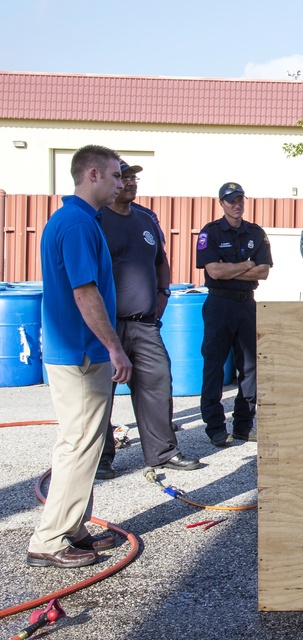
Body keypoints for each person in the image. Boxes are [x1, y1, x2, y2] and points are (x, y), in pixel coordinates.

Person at [27, 145, 133, 568]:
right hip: (81, 353)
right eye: (115, 175)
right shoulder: (75, 224)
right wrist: (113, 345)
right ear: (92, 174)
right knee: (79, 444)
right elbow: (84, 291)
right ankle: (49, 540)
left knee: (83, 443)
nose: (121, 183)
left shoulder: (78, 220)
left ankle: (72, 526)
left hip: (76, 350)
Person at [96, 160, 200, 478]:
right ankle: (100, 458)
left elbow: (160, 262)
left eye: (134, 178)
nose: (130, 182)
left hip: (144, 323)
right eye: (124, 177)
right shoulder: (97, 219)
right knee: (101, 391)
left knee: (157, 381)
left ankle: (162, 452)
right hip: (108, 324)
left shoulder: (145, 219)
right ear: (112, 182)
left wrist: (164, 293)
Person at [196, 182, 272, 447]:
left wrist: (233, 268)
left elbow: (263, 272)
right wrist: (247, 264)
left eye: (240, 199)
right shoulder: (211, 232)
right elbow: (214, 272)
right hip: (219, 303)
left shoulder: (256, 232)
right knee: (214, 366)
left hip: (247, 304)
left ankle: (243, 425)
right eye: (231, 200)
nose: (237, 204)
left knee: (250, 367)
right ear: (222, 204)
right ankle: (216, 427)